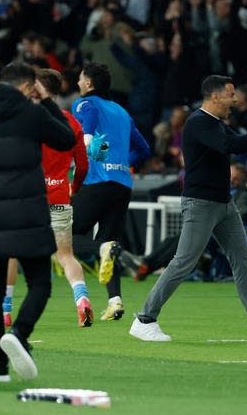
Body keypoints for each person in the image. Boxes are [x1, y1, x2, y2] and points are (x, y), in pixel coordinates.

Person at [129, 75, 247, 342]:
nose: (236, 99)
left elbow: (241, 142)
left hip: (223, 203)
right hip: (201, 204)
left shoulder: (214, 123)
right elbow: (233, 146)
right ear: (215, 97)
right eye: (231, 94)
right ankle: (144, 319)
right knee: (184, 262)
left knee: (242, 260)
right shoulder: (198, 123)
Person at [0, 62, 75, 382]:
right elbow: (66, 140)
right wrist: (47, 101)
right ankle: (19, 333)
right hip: (29, 214)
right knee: (40, 284)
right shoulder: (32, 115)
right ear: (26, 88)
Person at [71, 62, 151, 322]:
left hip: (97, 181)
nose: (78, 83)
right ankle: (115, 302)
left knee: (63, 236)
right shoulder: (121, 111)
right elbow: (144, 149)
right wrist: (123, 163)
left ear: (89, 84)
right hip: (122, 185)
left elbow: (90, 119)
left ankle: (103, 247)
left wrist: (86, 140)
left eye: (81, 79)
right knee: (110, 242)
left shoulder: (84, 104)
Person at [37, 68, 93, 326]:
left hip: (30, 198)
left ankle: (5, 310)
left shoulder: (29, 119)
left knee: (13, 253)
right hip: (60, 195)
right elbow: (82, 166)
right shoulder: (72, 122)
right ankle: (82, 300)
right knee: (66, 255)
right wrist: (75, 187)